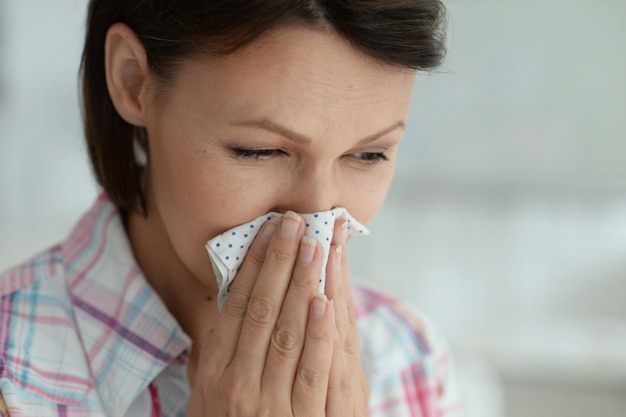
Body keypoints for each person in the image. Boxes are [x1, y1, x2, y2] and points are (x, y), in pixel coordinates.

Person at [0, 1, 461, 416]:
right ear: (132, 80)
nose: (314, 217)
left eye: (368, 155)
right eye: (258, 151)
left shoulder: (408, 356)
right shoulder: (12, 376)